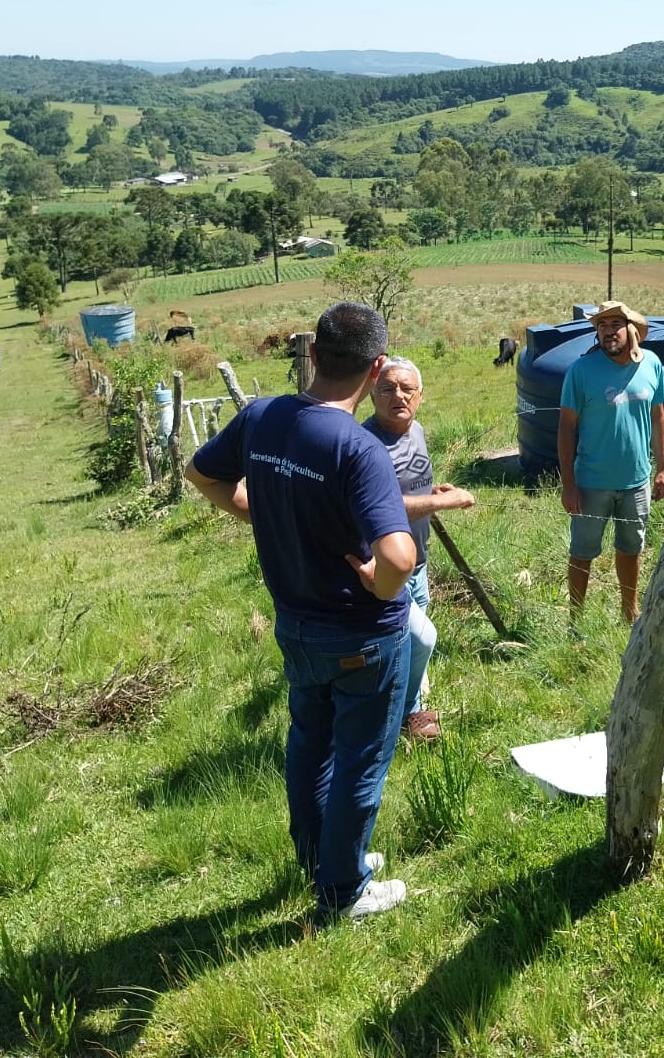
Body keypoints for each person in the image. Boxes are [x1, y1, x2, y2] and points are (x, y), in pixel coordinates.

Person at [185, 302, 414, 922]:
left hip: (295, 623)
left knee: (310, 743)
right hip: (361, 635)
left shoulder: (263, 416)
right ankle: (344, 890)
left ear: (312, 354)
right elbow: (398, 552)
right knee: (360, 760)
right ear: (377, 367)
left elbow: (200, 474)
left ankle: (320, 858)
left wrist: (260, 511)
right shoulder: (357, 447)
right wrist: (381, 586)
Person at [363, 356, 476, 742]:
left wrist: (432, 492)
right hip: (385, 566)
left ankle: (391, 706)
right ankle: (409, 716)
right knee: (422, 636)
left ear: (420, 396)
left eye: (407, 388)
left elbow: (408, 491)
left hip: (420, 560)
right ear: (372, 395)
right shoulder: (366, 446)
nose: (399, 395)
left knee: (406, 643)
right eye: (388, 388)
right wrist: (443, 504)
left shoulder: (417, 432)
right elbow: (378, 505)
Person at [557, 300, 664, 623]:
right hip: (591, 483)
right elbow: (566, 429)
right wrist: (569, 485)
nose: (608, 333)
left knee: (631, 548)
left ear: (630, 328)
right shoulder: (580, 372)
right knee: (582, 552)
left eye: (614, 326)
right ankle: (574, 620)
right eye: (601, 327)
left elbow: (659, 417)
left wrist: (662, 469)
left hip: (636, 481)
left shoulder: (652, 365)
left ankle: (629, 614)